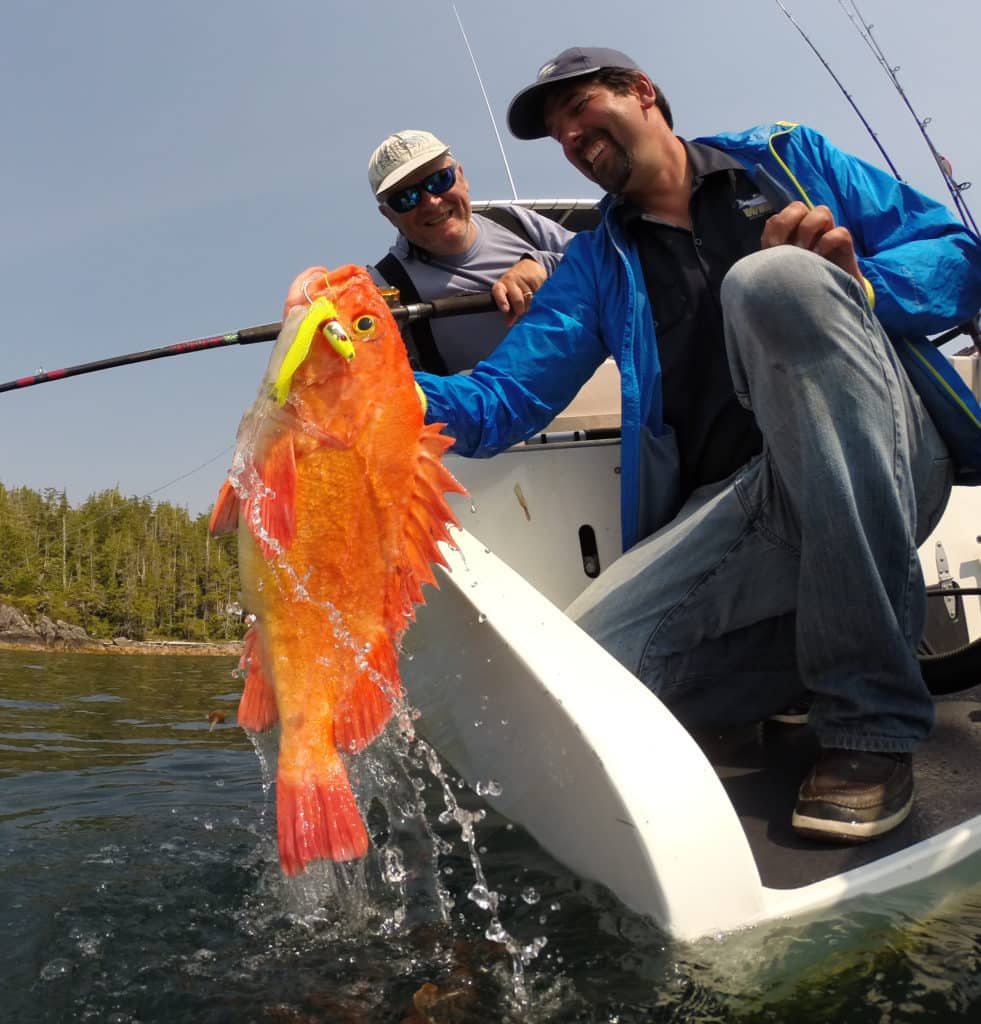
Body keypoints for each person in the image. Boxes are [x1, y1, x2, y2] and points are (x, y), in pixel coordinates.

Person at [415, 47, 981, 842]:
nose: (571, 137)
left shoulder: (790, 158)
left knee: (773, 280)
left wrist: (861, 287)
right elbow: (500, 400)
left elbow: (960, 257)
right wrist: (375, 384)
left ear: (642, 92)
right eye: (556, 132)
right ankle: (799, 657)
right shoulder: (594, 263)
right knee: (582, 682)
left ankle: (870, 728)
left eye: (579, 109)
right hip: (744, 507)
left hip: (886, 455)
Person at [367, 129, 576, 374]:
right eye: (406, 198)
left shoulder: (516, 222)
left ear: (462, 176)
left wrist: (542, 264)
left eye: (439, 180)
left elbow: (608, 263)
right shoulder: (382, 285)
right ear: (388, 215)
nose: (431, 202)